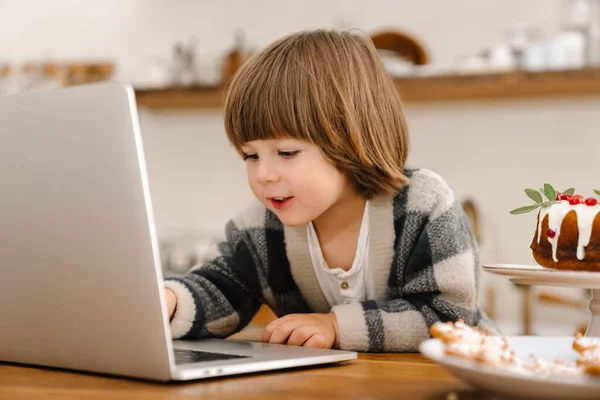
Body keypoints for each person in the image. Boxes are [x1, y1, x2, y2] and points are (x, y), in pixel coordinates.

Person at [163, 29, 494, 352]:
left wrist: (335, 326)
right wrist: (171, 301)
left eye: (287, 153)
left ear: (350, 140)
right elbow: (219, 288)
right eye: (250, 155)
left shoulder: (424, 205)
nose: (263, 174)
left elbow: (448, 318)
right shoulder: (260, 226)